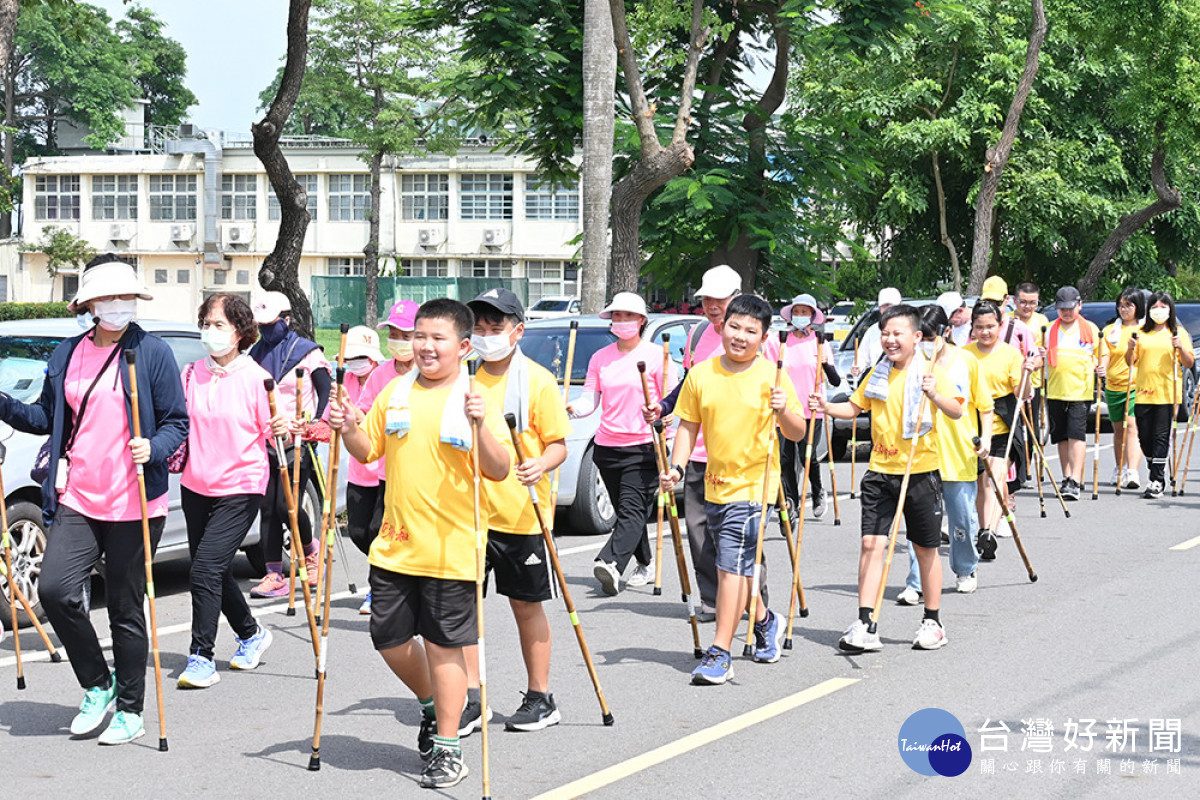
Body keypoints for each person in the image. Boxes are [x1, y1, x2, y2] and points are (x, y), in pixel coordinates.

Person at [0, 254, 188, 744]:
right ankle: (97, 683)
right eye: (106, 297)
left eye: (124, 297)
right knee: (55, 590)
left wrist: (157, 447)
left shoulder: (152, 353)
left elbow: (176, 422)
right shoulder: (66, 353)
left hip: (133, 501)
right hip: (78, 496)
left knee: (126, 607)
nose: (116, 305)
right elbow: (45, 418)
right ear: (87, 304)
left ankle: (131, 708)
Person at [329, 298, 510, 789]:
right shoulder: (396, 391)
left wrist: (479, 430)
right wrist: (347, 427)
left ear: (464, 346)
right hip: (396, 543)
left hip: (453, 548)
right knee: (386, 638)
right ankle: (435, 705)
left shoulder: (475, 398)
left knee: (445, 647)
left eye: (438, 338)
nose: (426, 347)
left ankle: (448, 748)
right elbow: (368, 450)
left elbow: (499, 468)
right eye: (419, 337)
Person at [659, 294, 807, 684]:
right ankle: (764, 619)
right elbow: (688, 427)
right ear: (722, 326)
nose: (740, 336)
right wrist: (676, 467)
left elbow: (797, 431)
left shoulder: (772, 377)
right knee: (733, 568)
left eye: (750, 331)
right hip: (714, 485)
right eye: (734, 327)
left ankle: (720, 651)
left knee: (731, 569)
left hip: (755, 488)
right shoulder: (701, 374)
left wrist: (784, 410)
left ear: (764, 337)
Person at [815, 304, 963, 652]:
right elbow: (854, 407)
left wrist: (934, 395)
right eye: (885, 334)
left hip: (920, 471)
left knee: (925, 549)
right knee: (871, 545)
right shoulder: (877, 372)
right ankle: (866, 622)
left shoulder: (931, 371)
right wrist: (824, 407)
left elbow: (956, 409)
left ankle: (933, 621)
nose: (890, 340)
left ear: (915, 336)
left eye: (897, 333)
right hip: (880, 473)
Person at [461, 288, 570, 733]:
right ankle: (470, 695)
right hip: (468, 515)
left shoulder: (538, 380)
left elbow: (559, 446)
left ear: (517, 331)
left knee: (526, 606)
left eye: (496, 328)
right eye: (480, 329)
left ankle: (541, 696)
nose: (487, 336)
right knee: (463, 608)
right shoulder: (462, 379)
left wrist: (539, 464)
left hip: (522, 514)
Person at [177, 293, 287, 689]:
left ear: (240, 333)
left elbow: (275, 428)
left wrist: (281, 428)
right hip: (195, 484)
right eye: (205, 323)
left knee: (204, 568)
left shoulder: (257, 378)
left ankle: (201, 655)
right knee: (214, 569)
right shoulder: (190, 374)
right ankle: (250, 633)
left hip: (240, 485)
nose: (209, 331)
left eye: (218, 325)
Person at [643, 264, 744, 620]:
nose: (712, 305)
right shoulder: (701, 334)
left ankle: (751, 603)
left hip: (740, 455)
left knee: (741, 536)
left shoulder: (752, 335)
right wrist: (665, 405)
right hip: (699, 451)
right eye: (707, 299)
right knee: (700, 532)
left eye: (720, 299)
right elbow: (689, 382)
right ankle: (713, 600)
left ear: (736, 297)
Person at [569, 292, 675, 596]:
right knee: (631, 512)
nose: (623, 321)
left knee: (630, 510)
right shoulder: (600, 358)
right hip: (607, 447)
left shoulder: (657, 355)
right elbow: (591, 398)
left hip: (644, 447)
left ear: (641, 320)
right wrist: (573, 408)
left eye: (629, 316)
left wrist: (664, 415)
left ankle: (611, 563)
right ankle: (645, 562)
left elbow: (672, 401)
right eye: (617, 316)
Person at [899, 305, 993, 602]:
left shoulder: (966, 360)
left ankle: (966, 568)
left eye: (930, 336)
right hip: (923, 452)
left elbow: (985, 406)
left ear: (946, 331)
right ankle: (917, 582)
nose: (925, 342)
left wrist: (987, 439)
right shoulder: (911, 362)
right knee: (922, 521)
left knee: (962, 518)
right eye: (920, 336)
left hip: (959, 451)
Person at [247, 291, 333, 598]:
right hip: (266, 440)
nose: (266, 330)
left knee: (288, 505)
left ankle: (310, 551)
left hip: (298, 439)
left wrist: (316, 423)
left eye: (272, 323)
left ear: (286, 320)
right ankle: (274, 575)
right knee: (268, 508)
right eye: (262, 325)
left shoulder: (307, 351)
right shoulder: (255, 355)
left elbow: (326, 391)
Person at [347, 300, 419, 616]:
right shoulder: (381, 374)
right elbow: (364, 410)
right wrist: (349, 416)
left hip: (405, 471)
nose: (398, 340)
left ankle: (381, 589)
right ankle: (391, 580)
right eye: (393, 332)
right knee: (361, 531)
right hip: (372, 467)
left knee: (381, 530)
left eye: (405, 333)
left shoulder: (427, 373)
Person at [962, 302, 1027, 560]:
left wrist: (1026, 374)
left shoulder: (1011, 354)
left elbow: (1023, 393)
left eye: (990, 326)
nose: (985, 332)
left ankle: (988, 531)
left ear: (1000, 326)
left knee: (996, 478)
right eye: (980, 327)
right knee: (981, 483)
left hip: (1003, 421)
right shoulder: (964, 354)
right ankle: (982, 528)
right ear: (972, 329)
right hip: (972, 424)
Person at [1128, 291, 1194, 499]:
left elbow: (1189, 363)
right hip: (1144, 392)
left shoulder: (1177, 333)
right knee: (1145, 438)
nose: (1159, 311)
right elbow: (1131, 361)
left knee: (1160, 437)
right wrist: (1130, 349)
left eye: (1163, 307)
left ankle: (1157, 480)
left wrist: (1181, 348)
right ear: (1148, 311)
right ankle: (1156, 466)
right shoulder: (1141, 332)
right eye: (1154, 308)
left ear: (1170, 310)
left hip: (1167, 393)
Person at [779, 293, 839, 520]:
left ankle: (817, 491)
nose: (800, 316)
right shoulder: (782, 341)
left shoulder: (819, 342)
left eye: (805, 312)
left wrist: (825, 363)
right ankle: (792, 500)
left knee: (807, 455)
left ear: (813, 316)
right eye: (797, 312)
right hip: (786, 409)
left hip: (811, 407)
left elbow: (835, 381)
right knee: (786, 458)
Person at [1043, 286, 1105, 501]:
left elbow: (1102, 354)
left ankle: (1075, 479)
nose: (1067, 313)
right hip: (1055, 391)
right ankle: (1066, 476)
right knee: (1061, 437)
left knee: (1076, 435)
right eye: (1062, 309)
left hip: (1081, 391)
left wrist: (1101, 367)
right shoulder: (1049, 329)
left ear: (1079, 305)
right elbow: (1039, 356)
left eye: (1070, 308)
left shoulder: (1090, 329)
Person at [1103, 288, 1145, 489]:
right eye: (1121, 305)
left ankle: (1133, 472)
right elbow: (1105, 355)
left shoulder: (1146, 330)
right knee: (1118, 429)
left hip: (1137, 385)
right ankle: (1119, 468)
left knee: (1132, 425)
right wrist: (1101, 366)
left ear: (1138, 307)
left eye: (1129, 305)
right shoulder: (1110, 331)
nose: (1124, 309)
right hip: (1114, 386)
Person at [1013, 281, 1051, 439]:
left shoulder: (1042, 321)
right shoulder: (1006, 320)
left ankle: (1029, 462)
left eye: (1032, 303)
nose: (1027, 307)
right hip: (1011, 382)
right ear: (1015, 301)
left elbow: (1044, 356)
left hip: (1033, 382)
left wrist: (1032, 365)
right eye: (1023, 302)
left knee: (1031, 429)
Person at [852, 287, 901, 379]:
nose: (888, 309)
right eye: (884, 306)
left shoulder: (908, 328)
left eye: (891, 306)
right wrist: (857, 367)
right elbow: (862, 357)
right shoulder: (873, 330)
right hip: (877, 382)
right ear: (880, 308)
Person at [982, 276, 1037, 357]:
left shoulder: (1020, 328)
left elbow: (1036, 359)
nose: (991, 307)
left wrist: (1028, 363)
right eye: (987, 302)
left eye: (997, 303)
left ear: (1007, 300)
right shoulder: (975, 327)